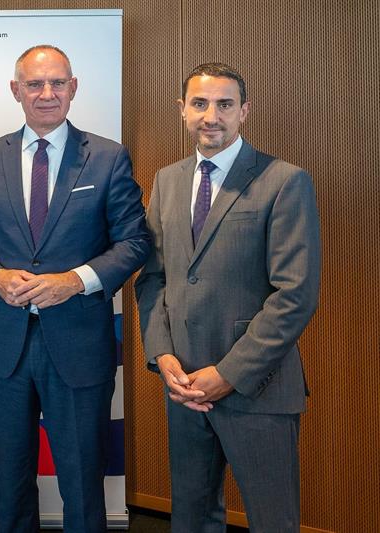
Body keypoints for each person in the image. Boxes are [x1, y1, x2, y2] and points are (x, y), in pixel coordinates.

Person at [0, 45, 151, 532]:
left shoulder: (107, 157)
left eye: (57, 83)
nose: (46, 93)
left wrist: (75, 281)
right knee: (11, 476)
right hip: (6, 344)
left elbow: (134, 242)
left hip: (78, 342)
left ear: (73, 88)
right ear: (16, 90)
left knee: (82, 479)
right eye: (34, 84)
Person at [135, 63, 321, 532]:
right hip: (184, 385)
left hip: (258, 387)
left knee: (273, 521)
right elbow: (153, 278)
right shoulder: (167, 180)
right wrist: (162, 355)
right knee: (192, 519)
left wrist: (228, 374)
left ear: (244, 111)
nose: (211, 116)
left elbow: (294, 294)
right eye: (199, 104)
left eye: (224, 104)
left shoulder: (284, 180)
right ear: (182, 110)